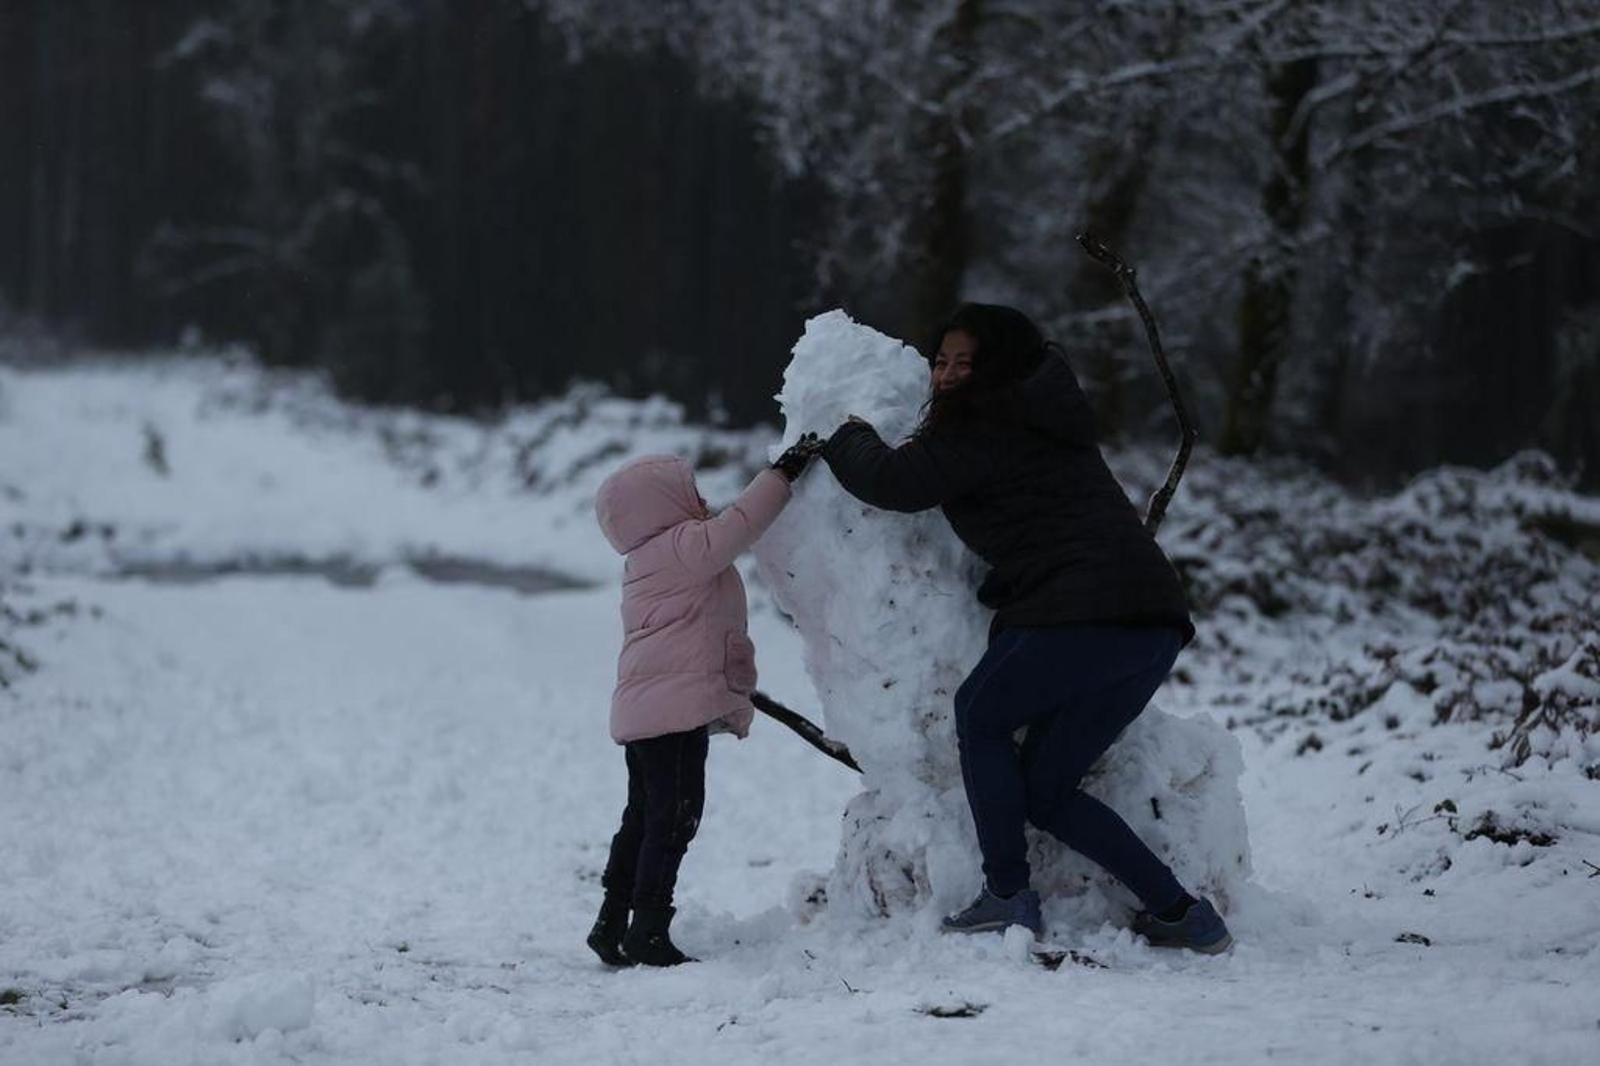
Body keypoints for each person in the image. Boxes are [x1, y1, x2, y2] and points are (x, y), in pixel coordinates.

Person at [820, 303, 1231, 954]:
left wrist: (840, 433)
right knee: (1047, 790)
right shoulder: (1043, 413)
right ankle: (1182, 913)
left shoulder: (987, 422)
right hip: (1150, 622)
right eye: (942, 361)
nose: (949, 375)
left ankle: (1008, 895)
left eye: (966, 363)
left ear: (998, 367)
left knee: (979, 715)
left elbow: (895, 481)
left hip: (1081, 610)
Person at [587, 434, 823, 967]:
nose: (699, 499)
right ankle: (648, 927)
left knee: (642, 818)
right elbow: (739, 525)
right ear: (659, 507)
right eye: (688, 491)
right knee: (674, 819)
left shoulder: (644, 559)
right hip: (672, 716)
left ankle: (611, 919)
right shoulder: (682, 547)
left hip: (646, 713)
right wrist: (783, 473)